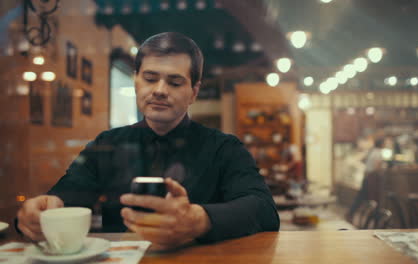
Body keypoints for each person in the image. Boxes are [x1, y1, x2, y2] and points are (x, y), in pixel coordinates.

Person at [16, 32, 279, 250]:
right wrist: (43, 211)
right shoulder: (108, 143)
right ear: (136, 81)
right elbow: (69, 193)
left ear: (194, 92)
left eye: (175, 82)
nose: (160, 90)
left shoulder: (224, 147)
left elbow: (264, 210)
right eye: (150, 78)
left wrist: (199, 219)